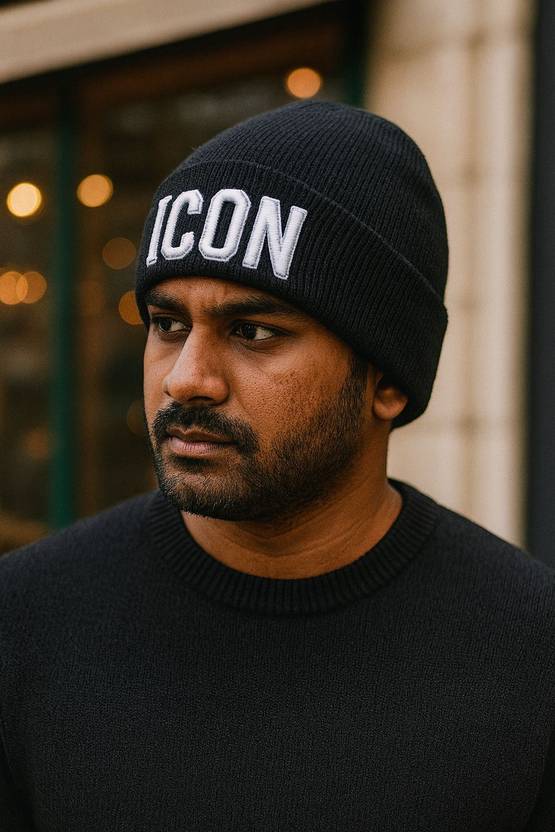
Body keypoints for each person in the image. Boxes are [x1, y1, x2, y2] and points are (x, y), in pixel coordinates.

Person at [0, 100, 553, 831]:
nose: (186, 378)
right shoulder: (24, 625)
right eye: (167, 324)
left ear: (386, 380)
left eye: (253, 331)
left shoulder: (528, 651)